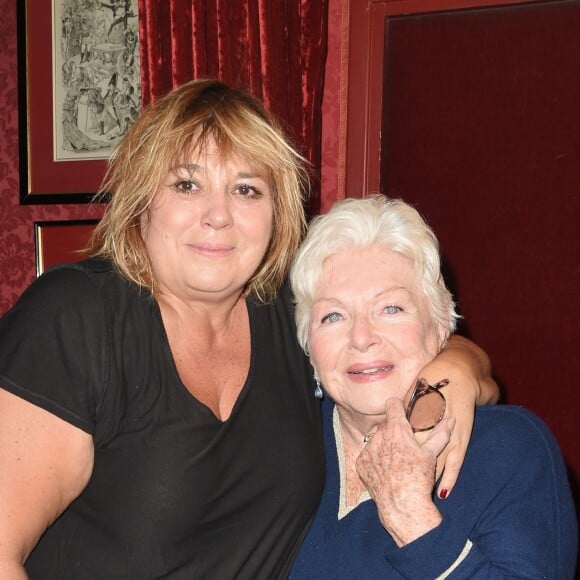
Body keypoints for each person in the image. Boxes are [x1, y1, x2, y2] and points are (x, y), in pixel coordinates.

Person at [0, 80, 497, 579]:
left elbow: (419, 334)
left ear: (277, 213)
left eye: (246, 189)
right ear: (140, 200)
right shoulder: (78, 318)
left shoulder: (287, 309)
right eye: (187, 184)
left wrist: (455, 371)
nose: (218, 216)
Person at [288, 195, 578, 579]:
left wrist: (414, 521)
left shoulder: (508, 450)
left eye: (390, 309)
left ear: (441, 326)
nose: (360, 337)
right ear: (307, 342)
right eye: (333, 315)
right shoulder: (279, 443)